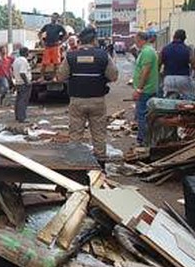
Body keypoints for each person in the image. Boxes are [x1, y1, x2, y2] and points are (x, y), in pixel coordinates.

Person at [57, 27, 119, 165]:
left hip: (77, 101)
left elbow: (60, 76)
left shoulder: (71, 56)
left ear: (80, 41)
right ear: (94, 40)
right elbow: (113, 76)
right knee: (98, 134)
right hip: (97, 101)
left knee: (75, 134)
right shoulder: (103, 55)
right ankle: (100, 164)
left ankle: (75, 164)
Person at [133, 31, 159, 146]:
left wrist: (139, 89)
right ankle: (144, 138)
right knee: (145, 115)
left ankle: (143, 140)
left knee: (142, 115)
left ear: (141, 40)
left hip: (146, 89)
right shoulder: (147, 51)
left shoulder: (147, 52)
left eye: (136, 40)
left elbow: (146, 71)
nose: (135, 43)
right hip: (148, 88)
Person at [160, 29, 195, 99]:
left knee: (168, 99)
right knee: (189, 98)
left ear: (173, 37)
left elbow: (159, 63)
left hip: (168, 79)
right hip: (183, 79)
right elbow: (193, 64)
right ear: (184, 39)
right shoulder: (188, 49)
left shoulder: (165, 49)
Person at [39, 13, 67, 81]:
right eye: (52, 17)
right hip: (47, 46)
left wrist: (61, 42)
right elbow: (40, 33)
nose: (53, 18)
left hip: (55, 46)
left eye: (55, 17)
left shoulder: (59, 26)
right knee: (44, 63)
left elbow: (66, 35)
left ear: (57, 18)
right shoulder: (47, 26)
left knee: (56, 63)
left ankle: (55, 77)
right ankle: (42, 77)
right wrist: (42, 41)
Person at [12, 47, 32, 123]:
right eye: (28, 52)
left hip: (18, 82)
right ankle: (22, 118)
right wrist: (27, 82)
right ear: (26, 53)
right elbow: (22, 73)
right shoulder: (24, 61)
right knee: (23, 101)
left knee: (18, 100)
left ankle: (18, 116)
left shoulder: (16, 60)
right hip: (23, 83)